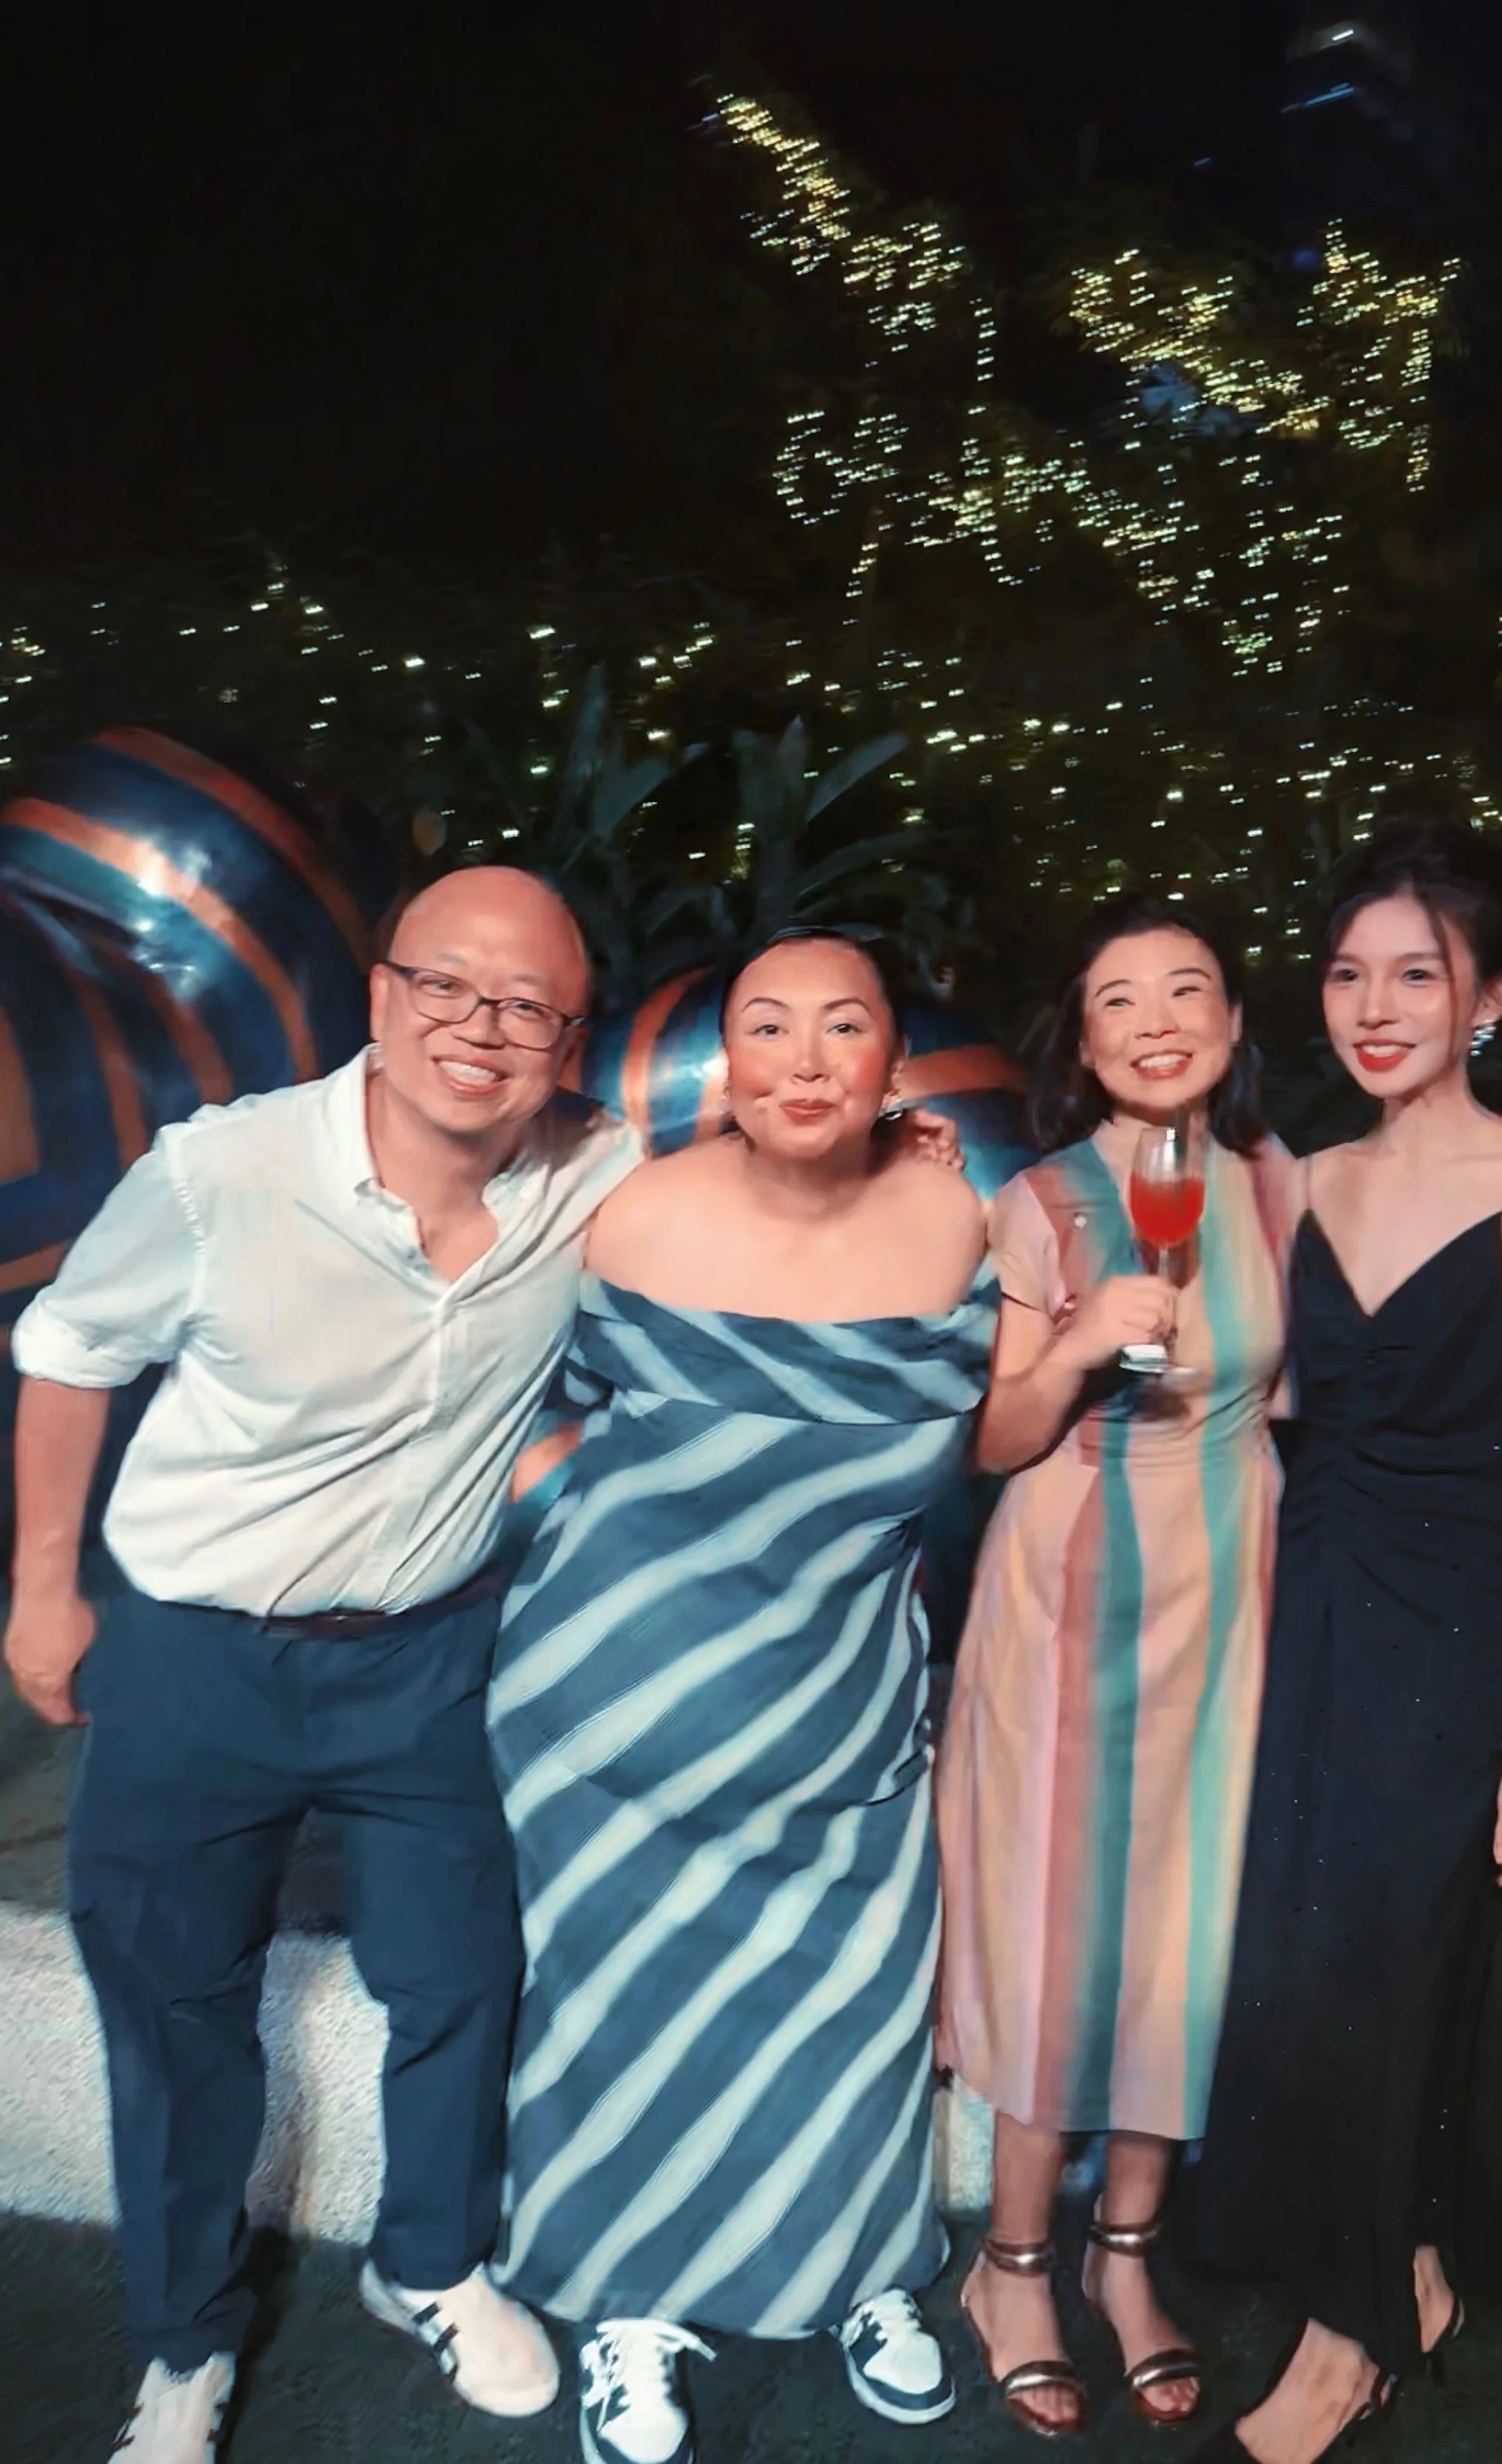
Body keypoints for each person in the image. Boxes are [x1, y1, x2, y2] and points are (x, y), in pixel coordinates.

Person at [1, 869, 633, 2463]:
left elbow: (774, 1199)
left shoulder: (598, 1180)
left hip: (423, 1656)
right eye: (447, 986)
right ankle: (184, 2340)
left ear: (569, 1043)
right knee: (173, 2001)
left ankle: (425, 2264)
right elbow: (71, 1354)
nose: (481, 1030)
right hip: (193, 1650)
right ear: (379, 993)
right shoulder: (224, 1173)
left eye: (529, 1007)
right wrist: (40, 1590)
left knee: (461, 1971)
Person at [486, 927, 993, 2464]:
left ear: (890, 1063)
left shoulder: (960, 1216)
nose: (803, 1055)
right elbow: (511, 1405)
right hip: (617, 1696)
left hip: (837, 1695)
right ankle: (629, 2312)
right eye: (766, 1024)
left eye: (843, 1026)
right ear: (731, 1059)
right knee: (620, 2007)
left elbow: (1002, 1428)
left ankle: (858, 2274)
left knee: (845, 2002)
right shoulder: (625, 1211)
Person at [1188, 812, 1502, 2464]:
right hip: (1306, 1616)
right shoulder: (1301, 1176)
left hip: (1447, 1648)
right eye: (1347, 973)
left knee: (1375, 1969)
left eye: (1414, 976)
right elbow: (1271, 1396)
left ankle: (1342, 2341)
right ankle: (1409, 2269)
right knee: (1298, 1965)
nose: (1372, 1006)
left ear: (1483, 996)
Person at [934, 896, 1291, 2437]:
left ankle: (1124, 2254)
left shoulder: (1287, 1188)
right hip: (1067, 1587)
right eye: (1117, 999)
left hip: (1230, 1595)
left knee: (1184, 1921)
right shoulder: (1042, 1202)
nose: (1155, 1020)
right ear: (1077, 1041)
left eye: (1186, 989)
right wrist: (1078, 1349)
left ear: (1227, 1021)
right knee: (1055, 1921)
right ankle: (1010, 2263)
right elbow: (994, 1437)